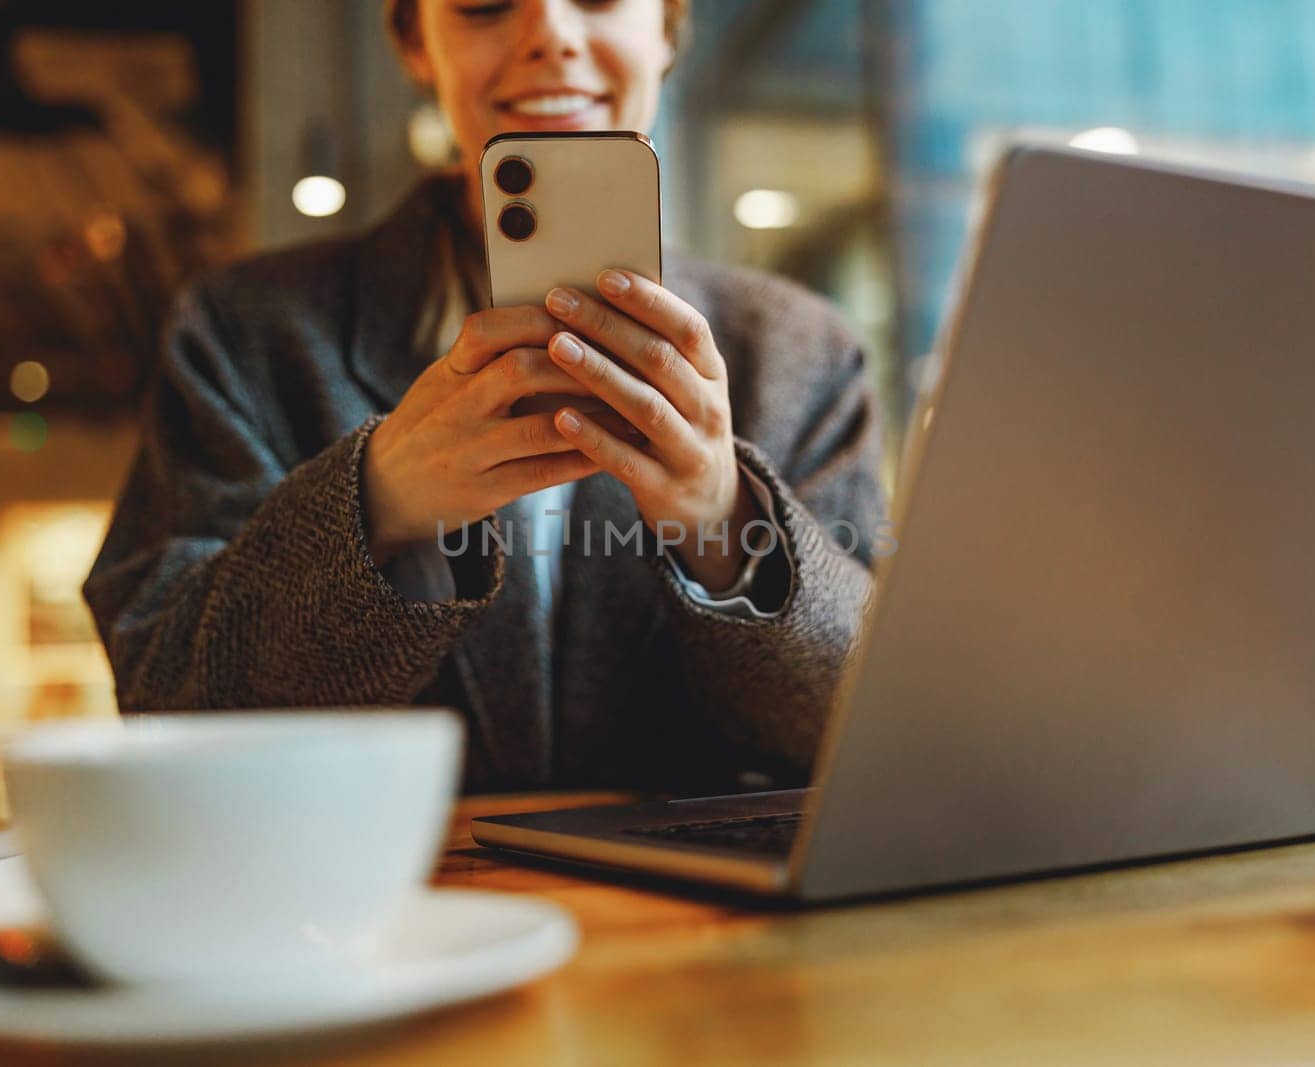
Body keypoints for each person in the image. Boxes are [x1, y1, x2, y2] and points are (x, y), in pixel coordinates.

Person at [83, 0, 885, 794]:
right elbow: (164, 699)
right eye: (482, 5)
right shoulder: (244, 333)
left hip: (710, 916)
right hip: (379, 909)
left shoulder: (799, 352)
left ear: (668, 28)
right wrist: (378, 501)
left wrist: (724, 520)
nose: (548, 35)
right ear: (414, 43)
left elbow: (874, 721)